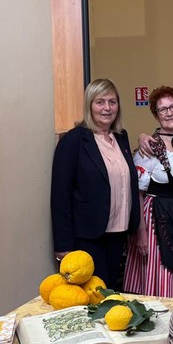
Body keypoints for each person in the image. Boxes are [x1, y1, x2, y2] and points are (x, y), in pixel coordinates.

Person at [50, 78, 139, 292]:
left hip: (119, 233)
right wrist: (63, 245)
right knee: (94, 296)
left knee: (111, 292)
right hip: (88, 236)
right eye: (100, 102)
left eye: (112, 102)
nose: (107, 108)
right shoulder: (74, 140)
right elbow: (60, 195)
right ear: (89, 105)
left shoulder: (121, 137)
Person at [122, 86, 173, 300]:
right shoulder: (149, 148)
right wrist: (141, 233)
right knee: (163, 268)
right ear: (155, 115)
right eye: (162, 109)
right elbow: (138, 193)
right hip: (159, 217)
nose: (169, 113)